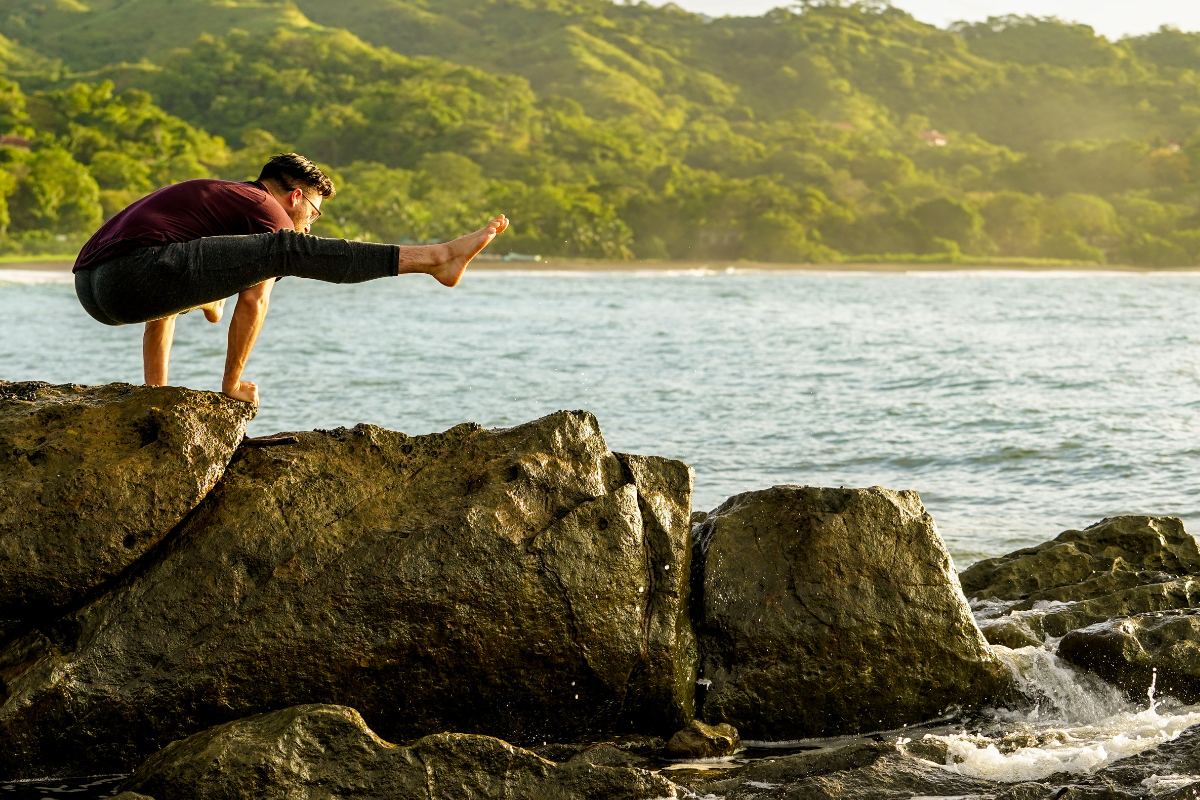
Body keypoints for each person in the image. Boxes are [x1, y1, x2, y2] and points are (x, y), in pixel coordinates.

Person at [72, 152, 508, 405]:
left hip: (97, 291)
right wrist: (232, 387)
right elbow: (256, 302)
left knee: (232, 269)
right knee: (284, 251)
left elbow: (157, 312)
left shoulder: (221, 203)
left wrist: (156, 396)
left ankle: (207, 300)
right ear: (295, 194)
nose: (310, 225)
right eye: (314, 213)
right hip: (131, 275)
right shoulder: (266, 208)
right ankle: (439, 258)